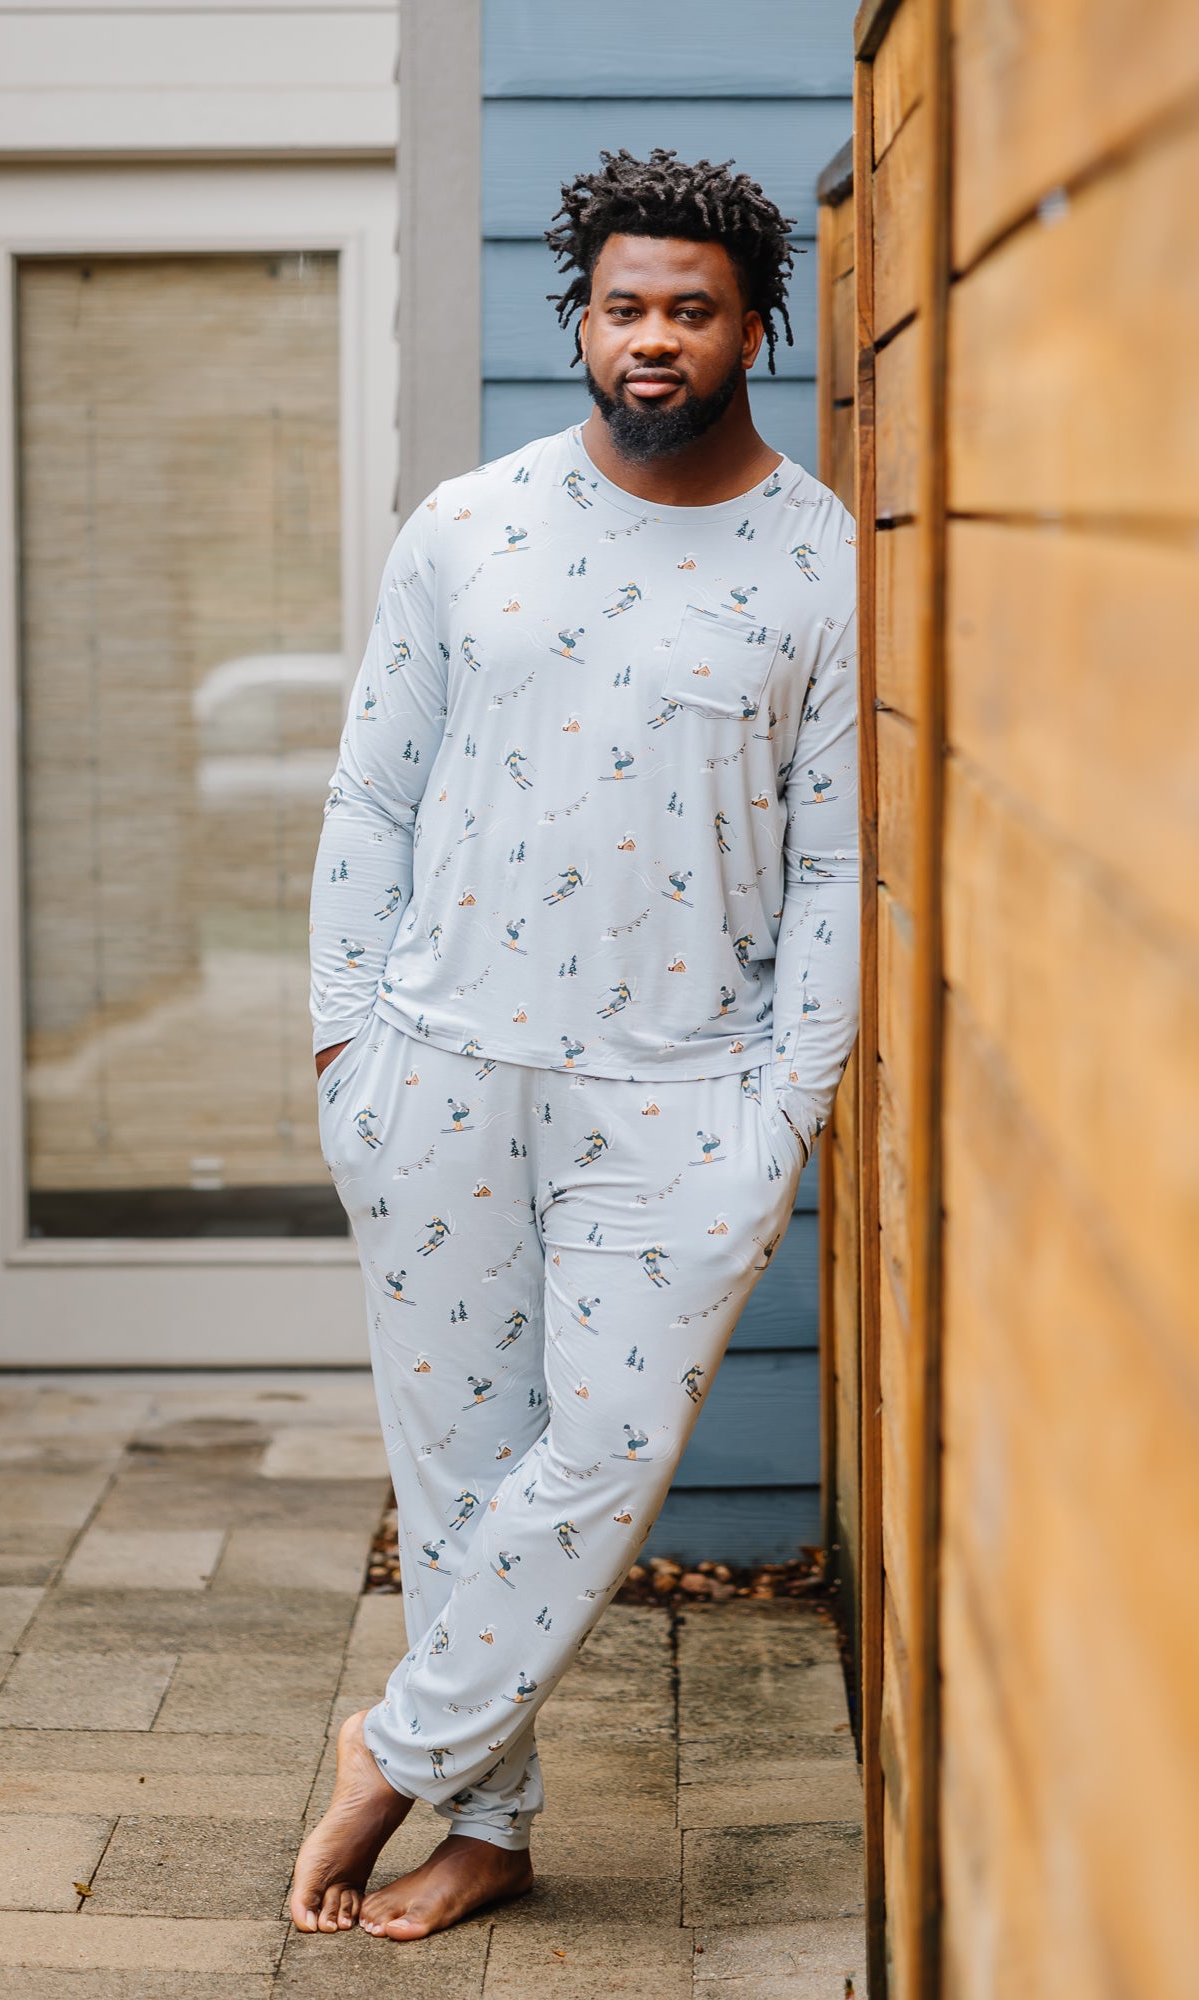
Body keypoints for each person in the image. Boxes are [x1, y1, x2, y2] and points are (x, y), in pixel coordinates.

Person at [290, 146, 858, 1943]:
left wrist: (785, 1105)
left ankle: (391, 1753)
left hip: (682, 1096)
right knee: (461, 1467)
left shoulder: (823, 565)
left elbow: (841, 855)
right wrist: (341, 1043)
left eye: (691, 309)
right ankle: (489, 1825)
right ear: (583, 320)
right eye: (624, 307)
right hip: (437, 1069)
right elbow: (368, 794)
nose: (653, 340)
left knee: (601, 1448)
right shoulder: (469, 527)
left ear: (753, 324)